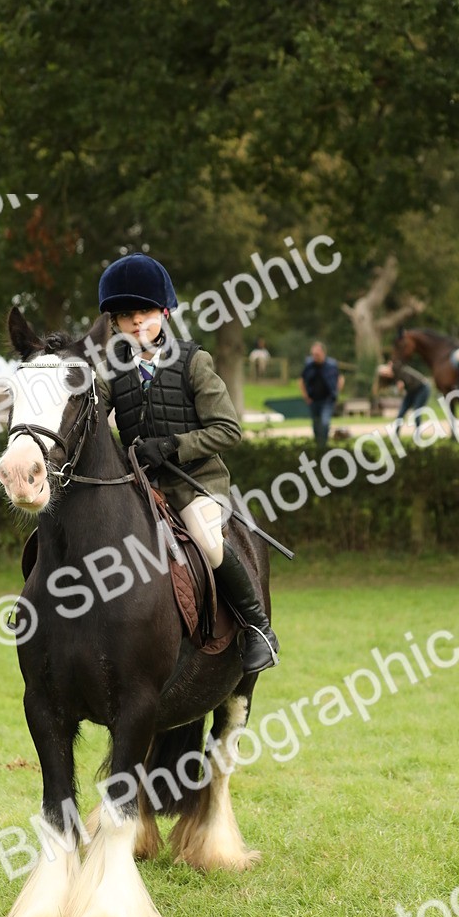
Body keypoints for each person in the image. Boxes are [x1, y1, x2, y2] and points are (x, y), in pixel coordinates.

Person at [95, 253, 279, 672]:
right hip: (138, 487)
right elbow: (93, 418)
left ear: (163, 311)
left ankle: (258, 629)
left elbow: (228, 430)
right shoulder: (110, 370)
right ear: (115, 323)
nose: (137, 324)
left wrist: (172, 445)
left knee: (209, 543)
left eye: (144, 313)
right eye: (126, 317)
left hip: (194, 484)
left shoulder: (194, 362)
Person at [299, 341, 344, 449]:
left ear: (323, 353)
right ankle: (318, 445)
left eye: (317, 354)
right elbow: (301, 380)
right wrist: (305, 396)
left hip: (327, 399)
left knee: (324, 422)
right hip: (313, 399)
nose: (314, 356)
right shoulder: (309, 365)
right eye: (313, 354)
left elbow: (340, 378)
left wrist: (337, 392)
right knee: (315, 424)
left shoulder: (331, 365)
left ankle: (323, 445)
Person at [378, 358, 431, 438]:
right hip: (411, 391)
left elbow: (401, 360)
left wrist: (393, 364)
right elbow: (399, 391)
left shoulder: (397, 367)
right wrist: (401, 388)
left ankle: (418, 435)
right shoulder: (392, 380)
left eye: (385, 372)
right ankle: (396, 435)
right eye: (384, 375)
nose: (386, 374)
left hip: (422, 388)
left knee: (416, 412)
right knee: (401, 412)